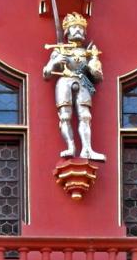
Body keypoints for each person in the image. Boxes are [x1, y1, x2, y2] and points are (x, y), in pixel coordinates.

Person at [43, 11, 105, 161]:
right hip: (64, 81)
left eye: (80, 27)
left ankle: (87, 149)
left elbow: (98, 76)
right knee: (65, 116)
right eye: (74, 27)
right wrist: (56, 62)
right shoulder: (59, 50)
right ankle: (71, 146)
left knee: (85, 116)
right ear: (67, 31)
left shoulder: (89, 52)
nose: (78, 30)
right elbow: (46, 73)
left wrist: (93, 64)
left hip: (83, 81)